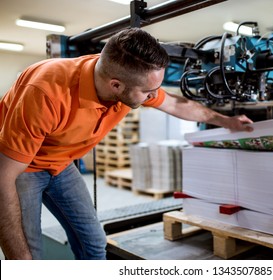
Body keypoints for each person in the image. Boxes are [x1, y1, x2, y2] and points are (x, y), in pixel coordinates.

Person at [0, 27, 253, 260]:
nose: (154, 96)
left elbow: (174, 103)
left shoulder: (127, 83)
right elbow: (3, 178)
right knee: (27, 256)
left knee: (94, 243)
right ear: (116, 85)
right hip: (21, 168)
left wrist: (225, 121)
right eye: (147, 92)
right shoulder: (46, 93)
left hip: (61, 164)